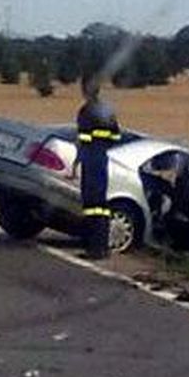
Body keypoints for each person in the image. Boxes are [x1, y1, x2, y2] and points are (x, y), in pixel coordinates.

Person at [75, 76, 122, 258]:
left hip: (91, 160)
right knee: (102, 205)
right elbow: (116, 136)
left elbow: (84, 138)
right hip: (103, 159)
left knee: (91, 205)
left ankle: (93, 248)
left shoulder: (86, 111)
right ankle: (103, 246)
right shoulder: (107, 111)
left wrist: (79, 158)